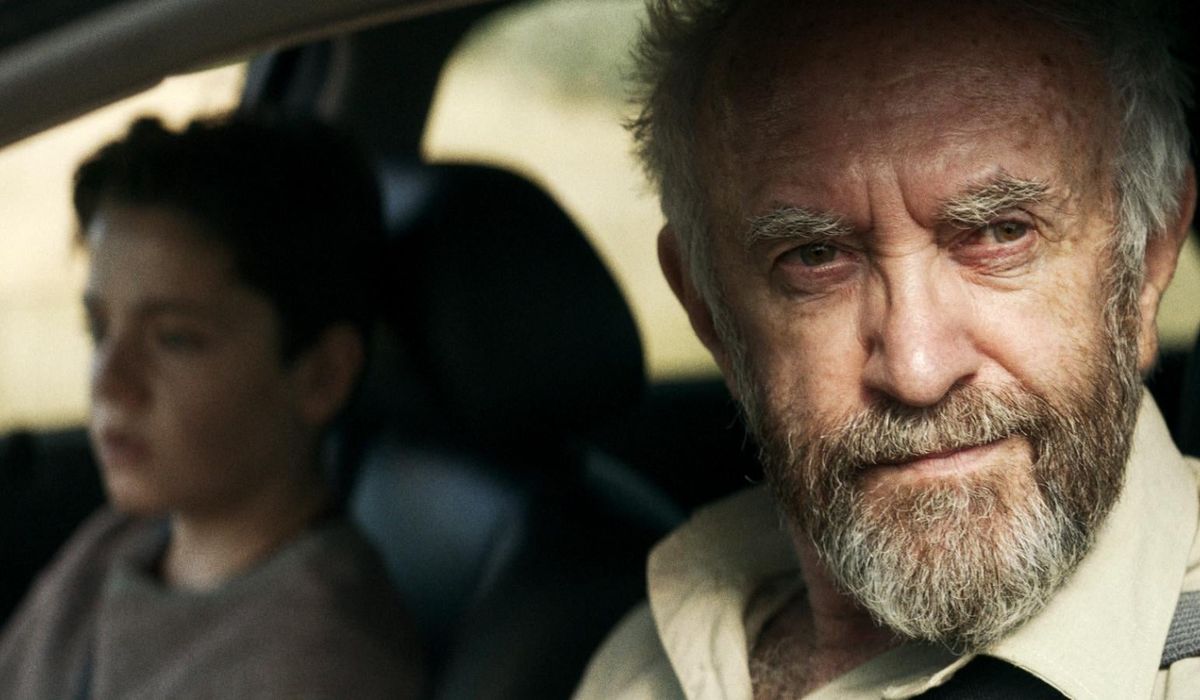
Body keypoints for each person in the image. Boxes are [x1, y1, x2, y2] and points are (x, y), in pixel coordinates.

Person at [575, 0, 1200, 697]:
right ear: (711, 314)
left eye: (999, 233)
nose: (917, 370)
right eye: (815, 256)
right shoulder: (640, 659)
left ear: (1148, 259)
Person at [0, 116, 424, 698]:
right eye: (98, 330)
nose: (109, 384)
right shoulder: (120, 544)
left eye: (173, 339)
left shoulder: (317, 668)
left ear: (321, 377)